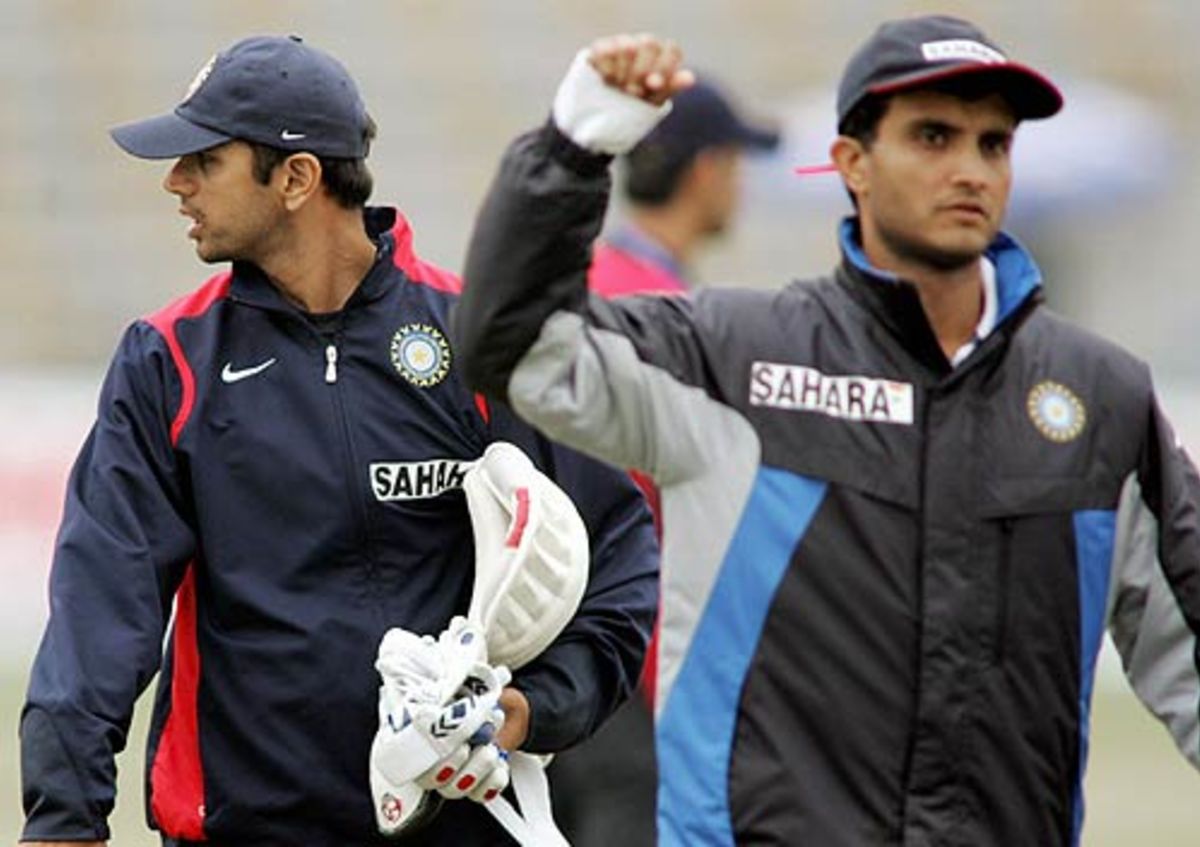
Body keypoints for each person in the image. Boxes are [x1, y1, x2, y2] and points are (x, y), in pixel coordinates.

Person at [453, 17, 1200, 847]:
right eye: (932, 136)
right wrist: (572, 151)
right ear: (852, 164)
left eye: (993, 144)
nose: (969, 168)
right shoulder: (734, 360)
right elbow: (508, 349)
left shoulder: (1102, 400)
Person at [17, 34, 658, 847]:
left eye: (204, 161)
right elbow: (99, 611)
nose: (175, 182)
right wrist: (63, 818)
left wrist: (528, 710)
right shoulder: (168, 358)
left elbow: (622, 546)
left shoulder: (479, 340)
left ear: (296, 178)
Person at [548, 76, 778, 847]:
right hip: (641, 673)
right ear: (708, 170)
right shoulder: (675, 317)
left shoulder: (576, 286)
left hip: (545, 665)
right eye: (737, 164)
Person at [588, 76, 779, 298]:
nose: (740, 184)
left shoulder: (590, 276)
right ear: (707, 169)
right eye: (733, 163)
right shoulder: (659, 307)